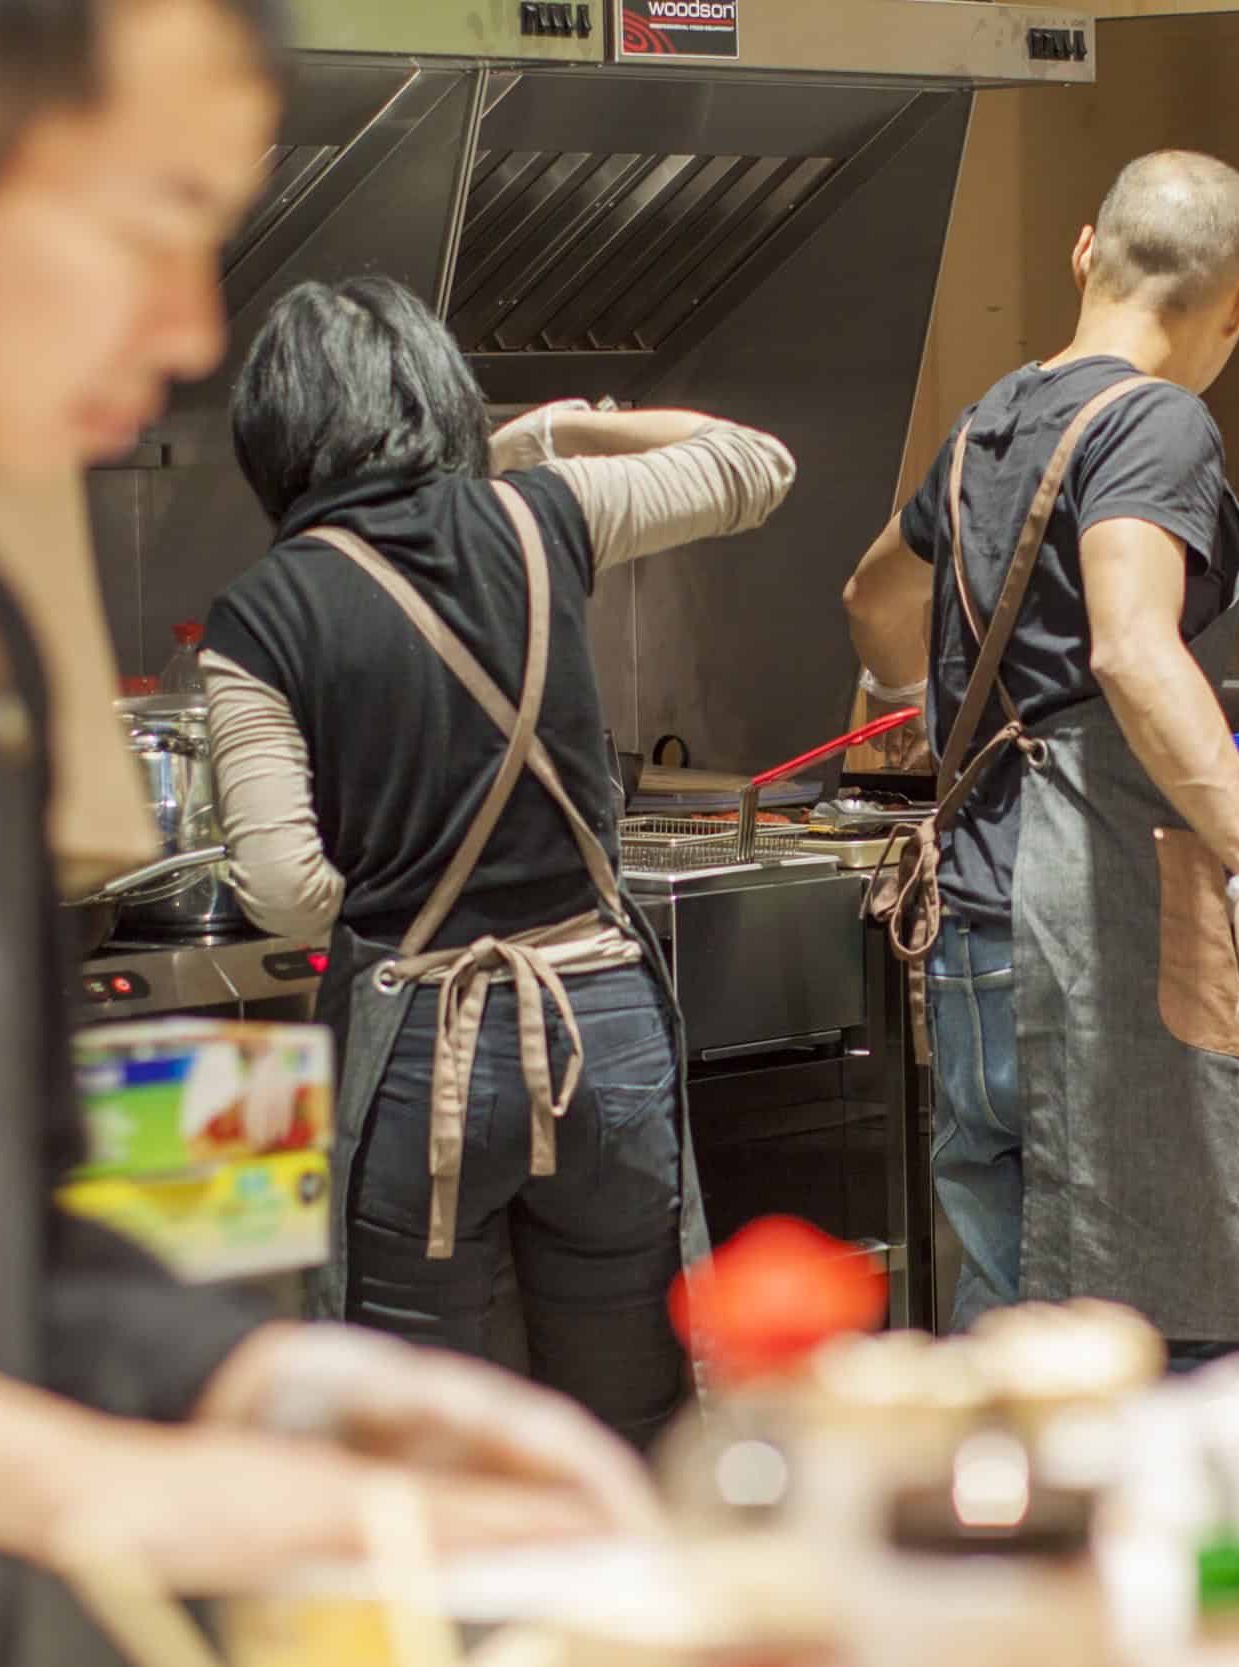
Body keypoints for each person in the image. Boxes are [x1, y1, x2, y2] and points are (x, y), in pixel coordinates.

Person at [0, 3, 658, 1660]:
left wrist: (265, 1379)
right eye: (156, 218)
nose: (193, 324)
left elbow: (3, 1223)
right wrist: (95, 1479)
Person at [202, 275, 796, 1452]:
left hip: (417, 1043)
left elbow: (280, 887)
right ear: (443, 395)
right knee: (631, 1421)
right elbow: (753, 461)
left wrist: (401, 904)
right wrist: (554, 432)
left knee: (430, 1449)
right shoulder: (546, 513)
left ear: (271, 432)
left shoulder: (261, 613)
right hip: (602, 1031)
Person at [843, 151, 1239, 1361]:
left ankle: (994, 1537)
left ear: (1081, 254)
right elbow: (1130, 648)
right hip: (1088, 931)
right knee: (1122, 1332)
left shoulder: (987, 423)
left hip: (969, 928)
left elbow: (871, 596)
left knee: (1005, 1307)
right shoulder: (1158, 422)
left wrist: (931, 705)